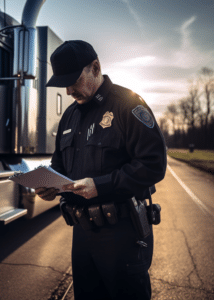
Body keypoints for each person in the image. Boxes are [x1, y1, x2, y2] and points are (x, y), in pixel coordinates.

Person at [35, 40, 167, 300]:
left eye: (74, 79)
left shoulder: (127, 105)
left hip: (122, 235)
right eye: (64, 83)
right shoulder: (70, 116)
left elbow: (153, 164)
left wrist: (101, 186)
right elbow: (59, 164)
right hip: (82, 235)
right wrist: (50, 185)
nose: (70, 89)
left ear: (95, 67)